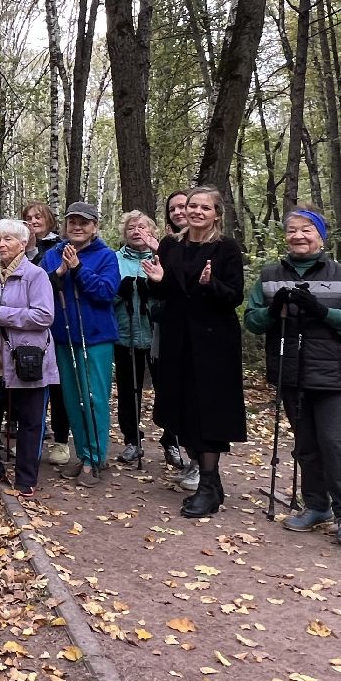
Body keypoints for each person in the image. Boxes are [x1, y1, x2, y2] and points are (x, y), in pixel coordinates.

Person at [244, 208, 341, 548]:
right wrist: (273, 310)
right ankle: (317, 506)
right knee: (306, 446)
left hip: (335, 376)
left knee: (337, 446)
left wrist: (322, 311)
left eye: (306, 230)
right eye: (292, 230)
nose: (298, 236)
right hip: (291, 373)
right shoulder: (270, 276)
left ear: (320, 236)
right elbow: (253, 322)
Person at [142, 185, 247, 517]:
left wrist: (210, 284)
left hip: (214, 343)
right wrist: (158, 279)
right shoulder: (171, 245)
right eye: (191, 206)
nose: (196, 212)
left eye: (204, 207)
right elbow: (166, 293)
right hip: (177, 339)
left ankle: (208, 485)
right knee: (181, 408)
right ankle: (210, 485)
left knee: (208, 411)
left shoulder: (226, 248)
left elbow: (234, 295)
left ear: (216, 214)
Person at [0, 218, 57, 498]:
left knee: (30, 420)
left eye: (8, 239)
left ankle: (25, 479)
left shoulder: (36, 275)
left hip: (26, 360)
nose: (1, 244)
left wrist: (0, 314)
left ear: (23, 243)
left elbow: (44, 316)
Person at [43, 202, 120, 488]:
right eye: (72, 222)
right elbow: (42, 289)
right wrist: (60, 271)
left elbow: (106, 292)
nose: (77, 227)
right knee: (72, 399)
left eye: (84, 222)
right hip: (63, 338)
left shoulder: (106, 256)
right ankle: (84, 453)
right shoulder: (52, 254)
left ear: (94, 226)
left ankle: (95, 458)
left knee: (94, 398)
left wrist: (78, 269)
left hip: (96, 338)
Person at [22, 200, 69, 465]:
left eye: (38, 217)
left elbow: (48, 282)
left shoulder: (59, 247)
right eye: (28, 218)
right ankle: (33, 439)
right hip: (26, 327)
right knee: (31, 383)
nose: (33, 222)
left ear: (49, 220)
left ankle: (61, 440)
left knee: (58, 386)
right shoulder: (18, 246)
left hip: (55, 323)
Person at [113, 211, 158, 466]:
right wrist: (120, 293)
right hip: (125, 333)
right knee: (129, 391)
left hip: (157, 334)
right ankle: (132, 440)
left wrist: (155, 290)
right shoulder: (115, 260)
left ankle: (171, 440)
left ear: (152, 231)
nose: (136, 231)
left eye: (142, 226)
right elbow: (104, 298)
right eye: (131, 227)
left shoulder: (162, 257)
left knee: (166, 389)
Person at [154, 190, 191, 473]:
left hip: (204, 332)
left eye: (183, 206)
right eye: (173, 209)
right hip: (171, 328)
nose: (178, 212)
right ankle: (172, 439)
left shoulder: (217, 246)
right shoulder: (167, 245)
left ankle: (199, 460)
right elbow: (161, 290)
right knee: (171, 390)